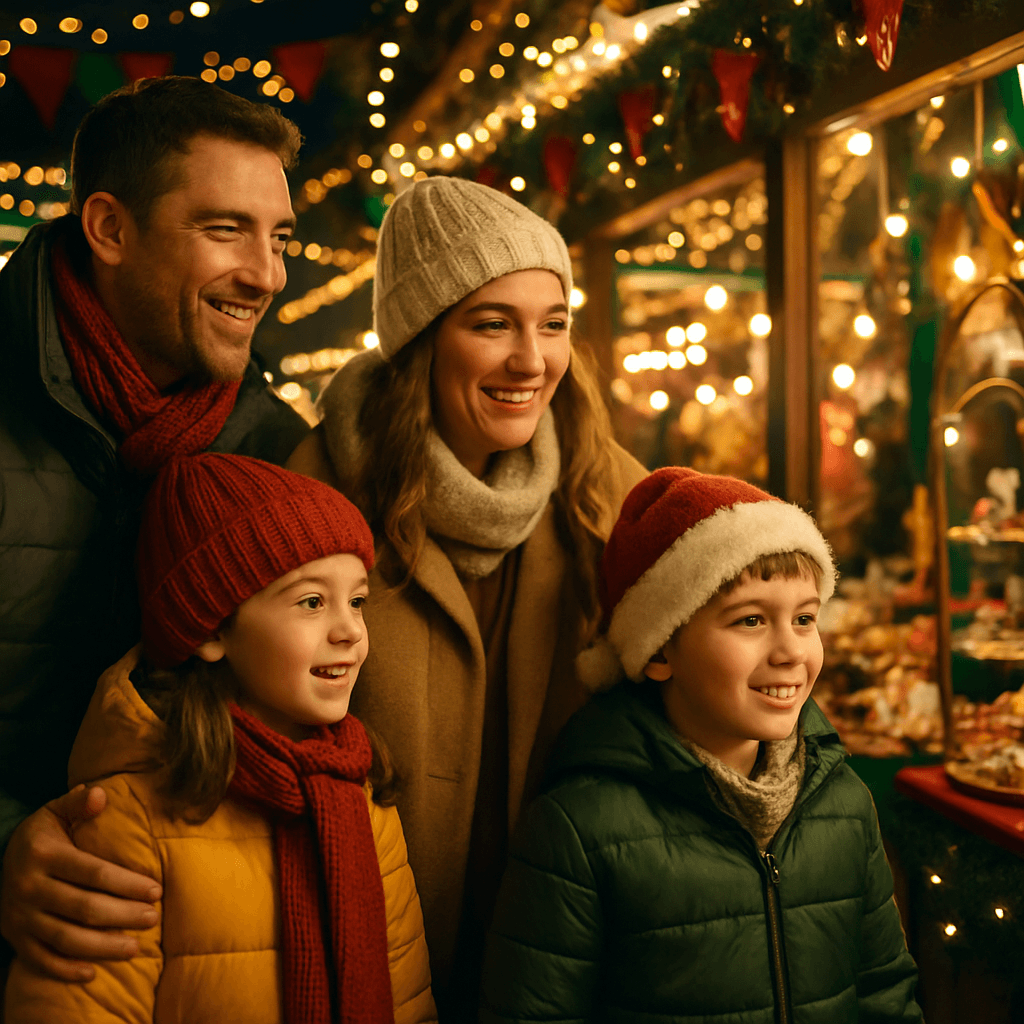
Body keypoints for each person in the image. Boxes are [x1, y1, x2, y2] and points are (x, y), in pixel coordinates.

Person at [287, 175, 647, 1017]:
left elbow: (736, 619)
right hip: (366, 950)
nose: (533, 361)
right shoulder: (314, 499)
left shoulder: (600, 486)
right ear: (421, 340)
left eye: (552, 325)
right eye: (493, 324)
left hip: (555, 956)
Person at [0, 76, 310, 982]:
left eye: (279, 235)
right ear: (108, 229)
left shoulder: (277, 452)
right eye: (226, 230)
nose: (267, 273)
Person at [4, 453, 436, 1024]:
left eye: (356, 600)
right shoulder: (126, 827)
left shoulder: (366, 803)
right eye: (312, 602)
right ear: (210, 627)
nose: (350, 629)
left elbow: (408, 1004)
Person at [481, 467, 923, 1023]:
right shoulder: (579, 830)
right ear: (659, 651)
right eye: (751, 620)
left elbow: (884, 991)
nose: (791, 650)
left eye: (806, 618)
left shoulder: (845, 804)